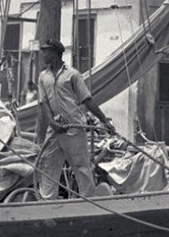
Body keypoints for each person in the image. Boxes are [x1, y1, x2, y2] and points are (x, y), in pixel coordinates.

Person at [35, 38, 116, 199]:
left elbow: (87, 99)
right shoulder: (43, 77)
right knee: (47, 164)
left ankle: (89, 201)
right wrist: (52, 122)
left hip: (73, 127)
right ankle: (46, 202)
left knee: (81, 167)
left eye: (46, 52)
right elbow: (43, 103)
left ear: (54, 54)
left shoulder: (73, 75)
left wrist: (104, 120)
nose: (43, 55)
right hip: (54, 129)